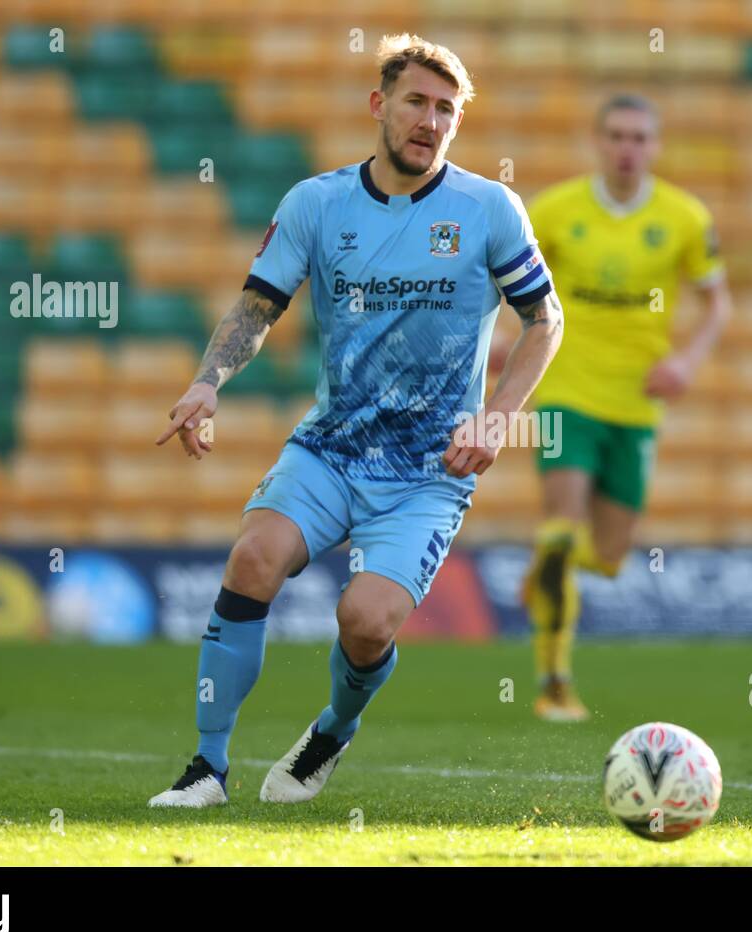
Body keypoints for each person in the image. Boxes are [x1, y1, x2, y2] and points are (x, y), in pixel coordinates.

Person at [147, 34, 563, 807]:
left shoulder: (488, 209)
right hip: (332, 448)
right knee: (252, 559)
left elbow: (545, 319)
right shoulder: (316, 203)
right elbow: (257, 307)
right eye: (416, 101)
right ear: (380, 105)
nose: (430, 121)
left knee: (365, 621)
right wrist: (208, 382)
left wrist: (498, 419)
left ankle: (333, 730)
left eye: (447, 109)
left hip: (427, 471)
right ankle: (207, 766)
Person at [515, 94, 730, 721]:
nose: (627, 147)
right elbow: (503, 281)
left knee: (607, 557)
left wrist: (686, 362)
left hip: (635, 405)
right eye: (615, 135)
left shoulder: (685, 218)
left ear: (655, 146)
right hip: (563, 392)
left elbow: (719, 303)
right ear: (597, 141)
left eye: (639, 137)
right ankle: (554, 682)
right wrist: (512, 340)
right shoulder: (553, 211)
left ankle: (547, 572)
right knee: (561, 521)